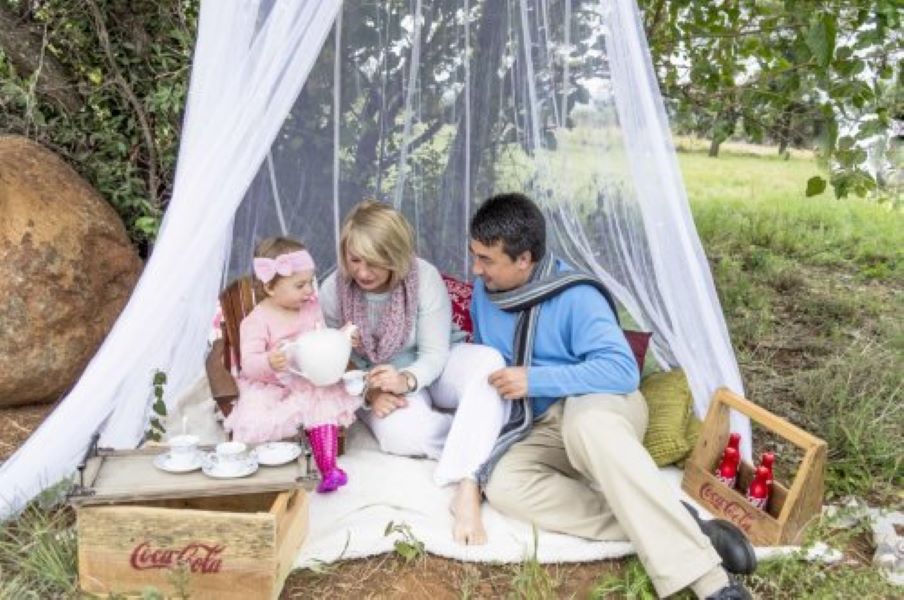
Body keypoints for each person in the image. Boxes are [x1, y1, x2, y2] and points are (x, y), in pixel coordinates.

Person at [468, 193, 754, 600]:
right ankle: (685, 525)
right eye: (474, 255)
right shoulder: (485, 294)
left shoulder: (576, 296)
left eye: (486, 259)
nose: (476, 269)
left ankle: (712, 583)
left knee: (587, 424)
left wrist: (536, 380)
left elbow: (621, 371)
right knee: (504, 485)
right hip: (540, 421)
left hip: (600, 403)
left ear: (524, 259)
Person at [319, 200, 509, 545]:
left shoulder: (423, 277)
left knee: (489, 363)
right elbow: (334, 362)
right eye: (355, 259)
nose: (363, 272)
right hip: (375, 380)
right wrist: (370, 393)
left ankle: (468, 485)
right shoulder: (334, 290)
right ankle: (492, 439)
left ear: (397, 255)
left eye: (375, 261)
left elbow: (434, 353)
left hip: (434, 363)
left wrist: (406, 379)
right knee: (400, 436)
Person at [224, 236, 361, 493]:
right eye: (300, 285)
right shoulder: (257, 320)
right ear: (270, 287)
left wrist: (343, 337)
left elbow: (321, 338)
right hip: (269, 385)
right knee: (256, 416)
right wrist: (268, 361)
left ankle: (328, 468)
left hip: (305, 379)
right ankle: (259, 470)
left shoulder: (310, 308)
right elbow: (249, 363)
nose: (309, 290)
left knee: (323, 405)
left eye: (311, 281)